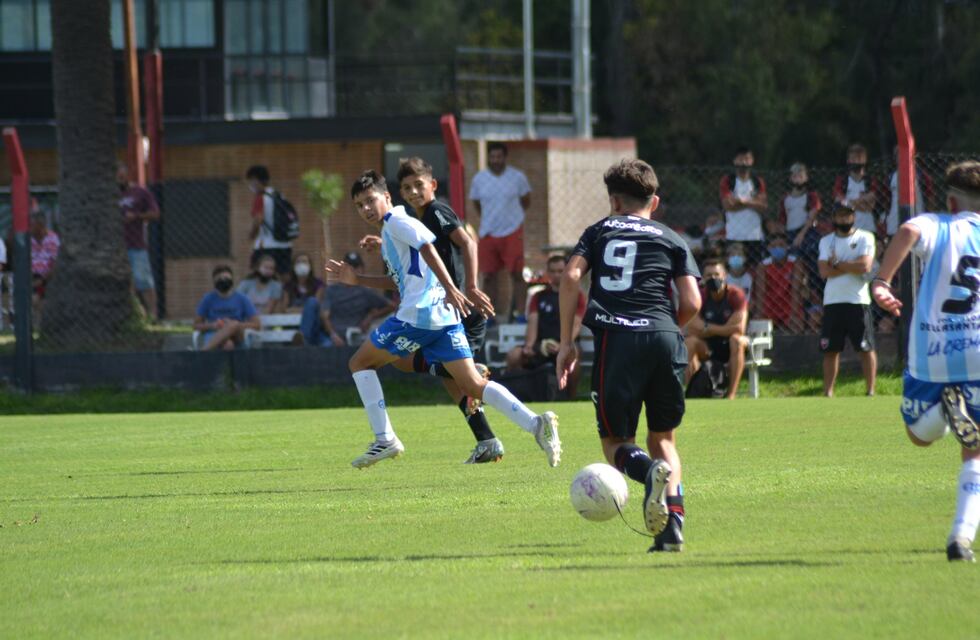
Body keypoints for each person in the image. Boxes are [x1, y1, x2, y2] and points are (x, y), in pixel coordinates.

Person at [330, 170, 560, 469]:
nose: (366, 209)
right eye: (359, 205)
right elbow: (400, 281)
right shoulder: (390, 229)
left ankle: (385, 439)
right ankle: (537, 425)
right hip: (442, 317)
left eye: (370, 200)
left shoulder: (397, 221)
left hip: (419, 315)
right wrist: (358, 278)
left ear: (387, 197)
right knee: (473, 384)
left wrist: (452, 288)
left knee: (360, 363)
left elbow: (428, 247)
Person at [556, 159, 702, 553]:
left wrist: (567, 341)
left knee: (617, 443)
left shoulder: (600, 230)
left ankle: (646, 472)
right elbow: (692, 300)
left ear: (614, 202)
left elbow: (571, 277)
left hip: (618, 341)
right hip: (666, 337)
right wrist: (668, 327)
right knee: (665, 441)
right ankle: (672, 530)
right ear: (654, 202)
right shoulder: (672, 237)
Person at [871, 160, 980, 562]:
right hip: (978, 350)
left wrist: (882, 282)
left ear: (951, 201)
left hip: (932, 351)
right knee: (976, 453)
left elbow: (907, 230)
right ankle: (960, 539)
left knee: (919, 435)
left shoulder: (940, 223)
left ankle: (947, 416)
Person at [505, 254, 587, 398]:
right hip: (541, 345)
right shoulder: (538, 296)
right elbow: (532, 321)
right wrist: (529, 346)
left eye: (560, 271)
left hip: (566, 343)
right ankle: (516, 396)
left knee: (574, 358)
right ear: (548, 273)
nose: (556, 275)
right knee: (514, 356)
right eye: (553, 271)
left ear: (567, 271)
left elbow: (576, 323)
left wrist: (564, 344)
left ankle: (571, 397)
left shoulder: (577, 295)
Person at [469, 142, 532, 323]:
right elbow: (476, 204)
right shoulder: (479, 179)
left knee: (517, 274)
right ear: (488, 157)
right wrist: (490, 218)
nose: (496, 160)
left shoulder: (517, 177)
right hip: (488, 231)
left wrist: (512, 217)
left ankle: (521, 314)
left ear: (505, 157)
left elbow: (526, 200)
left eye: (499, 156)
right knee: (488, 276)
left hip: (512, 230)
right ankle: (489, 315)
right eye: (493, 156)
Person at [818, 204, 877, 397]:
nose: (844, 220)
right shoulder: (826, 241)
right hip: (833, 301)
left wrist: (836, 263)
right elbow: (824, 271)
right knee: (830, 350)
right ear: (834, 217)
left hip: (858, 300)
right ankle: (828, 392)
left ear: (854, 217)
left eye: (847, 216)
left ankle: (870, 390)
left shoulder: (865, 237)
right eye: (840, 216)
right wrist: (850, 266)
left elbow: (865, 266)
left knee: (865, 347)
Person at [685, 258, 748, 400]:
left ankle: (731, 395)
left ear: (724, 276)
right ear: (703, 278)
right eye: (709, 275)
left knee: (737, 340)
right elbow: (692, 328)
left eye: (716, 274)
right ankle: (692, 393)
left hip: (730, 346)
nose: (713, 278)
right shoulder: (699, 296)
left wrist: (706, 327)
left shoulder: (736, 295)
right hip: (707, 347)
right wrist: (726, 328)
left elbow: (739, 328)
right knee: (689, 342)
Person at [315, 251, 396, 347]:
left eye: (356, 267)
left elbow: (391, 306)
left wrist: (371, 316)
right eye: (349, 267)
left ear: (362, 269)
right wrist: (333, 335)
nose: (352, 270)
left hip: (357, 338)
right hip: (333, 338)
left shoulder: (366, 292)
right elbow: (325, 316)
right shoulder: (332, 290)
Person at [117, 162, 161, 320]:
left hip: (136, 245)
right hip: (114, 248)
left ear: (127, 176)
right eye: (116, 178)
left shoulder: (140, 192)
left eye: (122, 177)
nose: (119, 181)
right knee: (126, 285)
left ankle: (153, 315)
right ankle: (134, 316)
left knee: (144, 281)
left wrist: (136, 216)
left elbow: (155, 214)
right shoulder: (108, 194)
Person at [193, 265, 261, 351]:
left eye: (226, 278)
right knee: (228, 345)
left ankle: (203, 352)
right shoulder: (207, 299)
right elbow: (196, 325)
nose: (223, 281)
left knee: (233, 325)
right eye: (220, 279)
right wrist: (213, 325)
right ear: (214, 282)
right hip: (215, 333)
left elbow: (257, 325)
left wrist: (236, 324)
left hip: (238, 335)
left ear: (232, 279)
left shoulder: (242, 298)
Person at [719, 146, 768, 265]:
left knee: (756, 270)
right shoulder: (728, 180)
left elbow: (763, 207)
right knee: (734, 269)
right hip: (734, 235)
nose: (744, 162)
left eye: (747, 159)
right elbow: (728, 205)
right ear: (735, 161)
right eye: (741, 159)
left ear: (752, 161)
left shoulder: (757, 181)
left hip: (755, 236)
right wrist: (752, 202)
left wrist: (742, 201)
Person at [246, 165, 293, 276]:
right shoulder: (279, 195)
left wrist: (251, 235)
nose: (250, 185)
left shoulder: (261, 197)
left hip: (266, 245)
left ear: (256, 180)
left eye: (251, 181)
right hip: (284, 244)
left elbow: (258, 219)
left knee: (257, 274)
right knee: (283, 276)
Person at [832, 144, 882, 235]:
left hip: (868, 227)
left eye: (860, 158)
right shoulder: (842, 180)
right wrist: (862, 202)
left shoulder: (870, 181)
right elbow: (839, 201)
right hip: (848, 228)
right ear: (848, 161)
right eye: (854, 158)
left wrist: (850, 203)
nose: (857, 162)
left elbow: (870, 206)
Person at [754, 233, 800, 330]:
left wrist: (794, 314)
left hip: (789, 305)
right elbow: (760, 292)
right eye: (774, 246)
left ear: (787, 247)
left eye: (781, 245)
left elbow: (796, 290)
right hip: (770, 305)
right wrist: (760, 313)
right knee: (760, 325)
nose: (777, 248)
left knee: (797, 325)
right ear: (768, 248)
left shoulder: (796, 263)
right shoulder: (763, 266)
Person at [781, 163, 822, 249]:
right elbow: (783, 219)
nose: (797, 180)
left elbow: (812, 216)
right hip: (790, 232)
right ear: (790, 178)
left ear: (806, 178)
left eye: (800, 176)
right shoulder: (785, 198)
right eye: (795, 176)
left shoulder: (811, 196)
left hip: (807, 232)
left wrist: (801, 235)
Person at [29, 210, 60, 309]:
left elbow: (56, 264)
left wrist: (42, 280)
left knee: (36, 301)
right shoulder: (27, 239)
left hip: (47, 279)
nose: (29, 228)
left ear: (40, 225)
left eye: (31, 225)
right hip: (30, 277)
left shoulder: (53, 238)